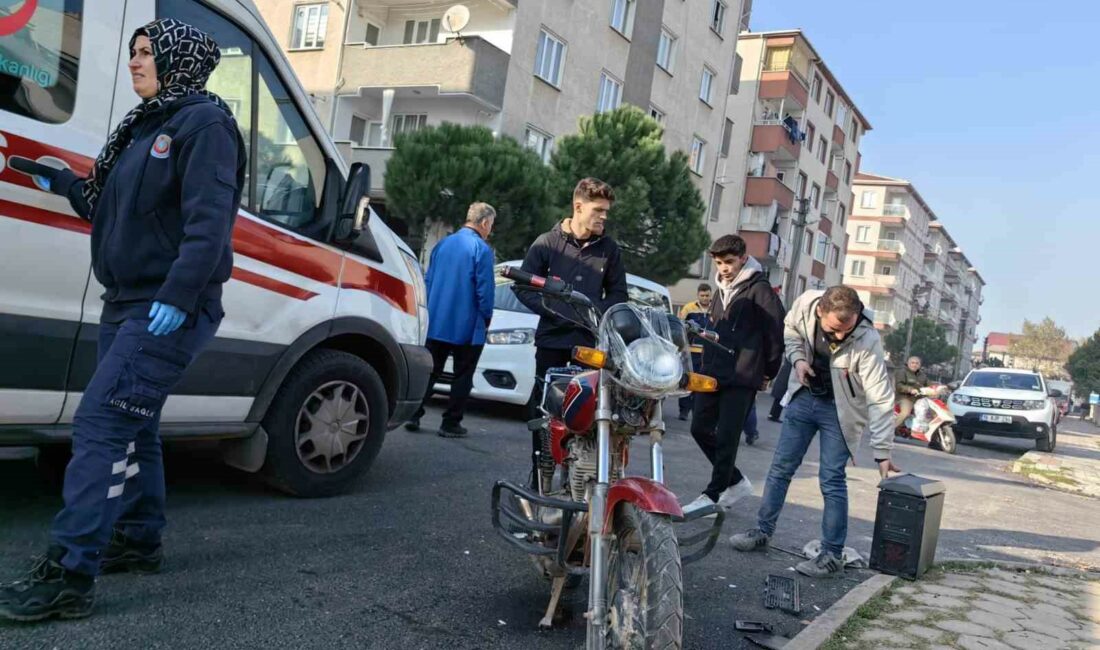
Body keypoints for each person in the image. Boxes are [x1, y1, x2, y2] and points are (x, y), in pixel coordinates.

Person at [0, 19, 246, 622]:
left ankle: (69, 573)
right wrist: (55, 178)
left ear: (177, 59)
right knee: (134, 425)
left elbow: (209, 221)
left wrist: (181, 293)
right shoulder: (145, 126)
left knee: (100, 427)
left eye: (146, 53)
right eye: (133, 52)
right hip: (126, 301)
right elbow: (104, 203)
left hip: (165, 306)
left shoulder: (203, 124)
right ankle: (138, 538)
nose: (135, 62)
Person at [730, 287, 900, 579]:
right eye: (833, 329)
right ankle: (762, 531)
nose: (839, 337)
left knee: (832, 479)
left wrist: (882, 451)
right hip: (805, 397)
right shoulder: (807, 303)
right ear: (820, 311)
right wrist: (798, 360)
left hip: (840, 411)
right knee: (780, 468)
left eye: (846, 330)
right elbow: (791, 329)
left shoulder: (868, 338)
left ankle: (832, 555)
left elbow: (881, 398)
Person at [517, 178, 628, 482]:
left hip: (589, 349)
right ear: (578, 207)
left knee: (585, 417)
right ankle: (541, 477)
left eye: (607, 211)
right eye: (599, 210)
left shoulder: (610, 250)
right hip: (551, 342)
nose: (604, 217)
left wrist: (592, 313)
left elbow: (619, 296)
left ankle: (576, 478)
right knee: (543, 414)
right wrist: (555, 311)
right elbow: (523, 287)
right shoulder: (547, 242)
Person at [683, 235, 785, 516]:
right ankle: (736, 481)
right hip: (713, 372)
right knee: (699, 428)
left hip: (743, 374)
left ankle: (713, 494)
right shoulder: (720, 289)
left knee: (728, 437)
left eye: (729, 262)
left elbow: (775, 332)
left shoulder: (760, 290)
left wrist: (769, 372)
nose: (724, 268)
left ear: (743, 257)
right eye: (718, 263)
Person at [406, 203, 496, 438]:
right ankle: (450, 423)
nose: (490, 230)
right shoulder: (482, 249)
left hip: (437, 321)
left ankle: (413, 414)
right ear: (485, 223)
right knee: (462, 376)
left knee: (431, 372)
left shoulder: (442, 245)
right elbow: (484, 291)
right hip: (468, 325)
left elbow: (428, 280)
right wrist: (487, 317)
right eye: (491, 226)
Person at [676, 283, 714, 420]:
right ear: (698, 295)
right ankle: (684, 410)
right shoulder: (689, 308)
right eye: (702, 295)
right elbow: (679, 326)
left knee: (700, 383)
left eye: (707, 295)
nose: (705, 298)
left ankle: (697, 411)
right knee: (687, 380)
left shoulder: (715, 309)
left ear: (711, 295)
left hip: (707, 353)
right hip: (690, 352)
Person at [894, 355, 930, 428]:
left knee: (931, 412)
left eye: (917, 363)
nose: (914, 365)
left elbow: (929, 384)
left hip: (919, 399)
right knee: (905, 413)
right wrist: (910, 390)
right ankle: (889, 430)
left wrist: (939, 388)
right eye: (912, 363)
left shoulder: (922, 375)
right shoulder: (902, 372)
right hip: (904, 398)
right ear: (908, 363)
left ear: (919, 365)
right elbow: (899, 386)